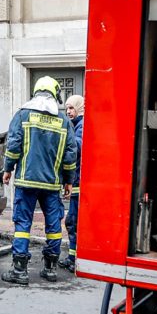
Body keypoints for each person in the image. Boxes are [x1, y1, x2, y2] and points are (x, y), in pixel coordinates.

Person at [1, 76, 78, 285]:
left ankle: (19, 271)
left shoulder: (23, 114)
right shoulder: (63, 120)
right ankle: (50, 269)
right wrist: (69, 181)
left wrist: (8, 169)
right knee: (53, 227)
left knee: (22, 225)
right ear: (55, 94)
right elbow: (71, 154)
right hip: (52, 184)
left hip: (26, 182)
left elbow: (14, 144)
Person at [59, 94, 84, 273]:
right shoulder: (75, 125)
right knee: (73, 221)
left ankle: (74, 259)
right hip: (76, 184)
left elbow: (77, 148)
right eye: (67, 108)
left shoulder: (82, 126)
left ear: (80, 108)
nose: (68, 111)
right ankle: (73, 258)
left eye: (72, 108)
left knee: (73, 222)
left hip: (80, 185)